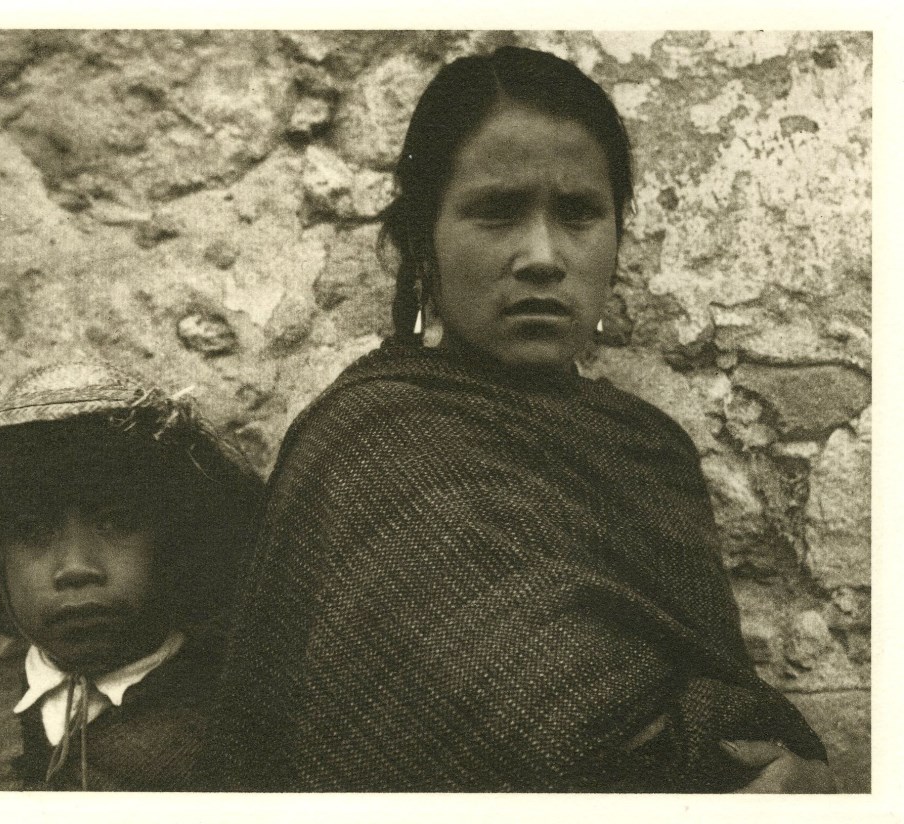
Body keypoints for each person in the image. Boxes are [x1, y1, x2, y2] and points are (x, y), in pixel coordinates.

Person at [207, 46, 836, 793]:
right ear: (422, 240)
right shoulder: (363, 450)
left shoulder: (650, 453)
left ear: (617, 235)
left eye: (578, 214)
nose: (541, 256)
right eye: (495, 212)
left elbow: (728, 711)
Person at [0, 360, 263, 791]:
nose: (75, 568)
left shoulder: (238, 725)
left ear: (173, 544)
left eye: (116, 521)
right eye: (33, 531)